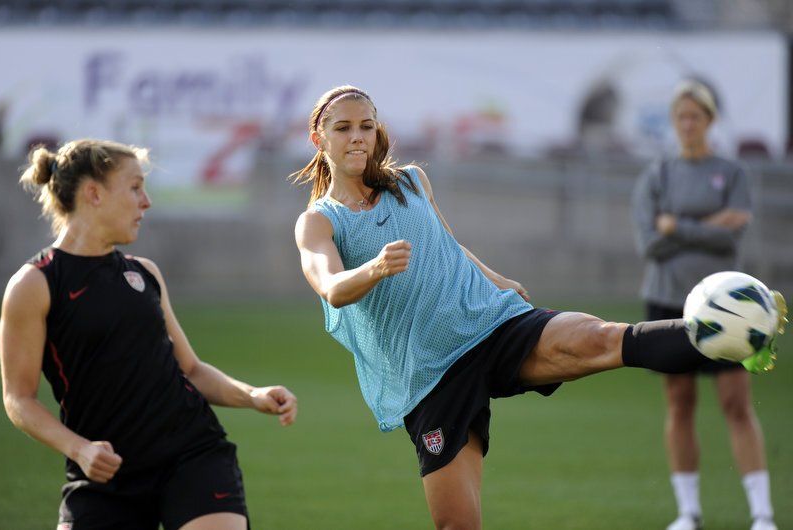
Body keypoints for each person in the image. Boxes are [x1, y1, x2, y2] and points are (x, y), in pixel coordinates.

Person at [290, 85, 785, 530]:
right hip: (429, 376)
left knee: (598, 338)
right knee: (458, 525)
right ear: (320, 139)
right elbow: (331, 286)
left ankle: (728, 333)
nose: (358, 137)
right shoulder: (318, 222)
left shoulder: (413, 181)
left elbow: (446, 243)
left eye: (366, 126)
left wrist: (496, 278)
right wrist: (374, 269)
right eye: (343, 128)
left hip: (490, 321)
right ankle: (726, 333)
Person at [0, 139, 298, 530]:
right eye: (135, 187)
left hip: (192, 455)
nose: (147, 202)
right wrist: (81, 449)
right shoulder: (35, 285)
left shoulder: (144, 273)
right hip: (104, 475)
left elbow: (189, 369)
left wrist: (253, 395)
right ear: (94, 193)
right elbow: (18, 399)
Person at [632, 80, 781, 530]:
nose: (688, 124)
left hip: (730, 309)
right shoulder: (656, 174)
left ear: (710, 121)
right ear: (674, 122)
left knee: (736, 402)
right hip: (668, 301)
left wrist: (679, 225)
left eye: (696, 116)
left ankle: (761, 513)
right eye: (681, 117)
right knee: (679, 403)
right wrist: (705, 225)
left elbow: (733, 233)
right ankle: (688, 512)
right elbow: (650, 243)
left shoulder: (730, 172)